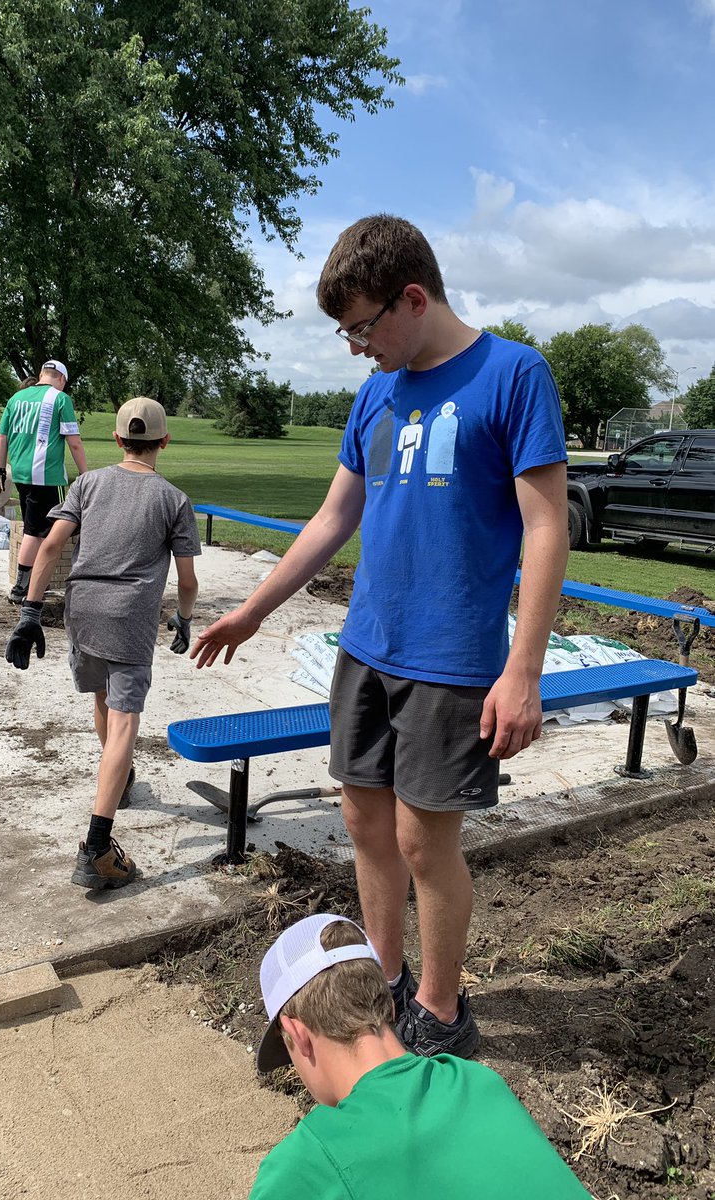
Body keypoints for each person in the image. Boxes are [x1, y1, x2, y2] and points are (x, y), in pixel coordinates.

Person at [193, 215, 569, 1058]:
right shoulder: (375, 395)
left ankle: (439, 1011)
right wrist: (255, 609)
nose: (356, 348)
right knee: (362, 821)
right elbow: (335, 517)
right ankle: (385, 986)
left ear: (413, 296)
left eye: (363, 327)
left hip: (453, 657)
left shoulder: (513, 375)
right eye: (346, 332)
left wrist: (525, 669)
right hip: (367, 647)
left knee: (421, 842)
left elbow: (546, 529)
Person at [248, 913, 591, 1199]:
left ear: (297, 1034)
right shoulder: (478, 1082)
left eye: (287, 1051)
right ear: (390, 1005)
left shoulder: (303, 1170)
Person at [4, 397, 201, 889]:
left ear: (116, 439)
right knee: (126, 721)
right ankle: (96, 848)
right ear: (164, 441)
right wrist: (182, 617)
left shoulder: (87, 483)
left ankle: (121, 779)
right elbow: (189, 581)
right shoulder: (173, 499)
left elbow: (50, 546)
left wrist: (30, 612)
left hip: (82, 609)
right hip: (130, 619)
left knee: (102, 699)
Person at [0, 360, 88, 603]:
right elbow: (74, 442)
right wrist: (86, 474)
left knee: (32, 526)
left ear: (41, 374)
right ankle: (23, 587)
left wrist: (0, 470)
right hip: (46, 476)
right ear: (62, 380)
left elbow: (2, 436)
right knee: (39, 533)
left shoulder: (17, 398)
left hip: (21, 473)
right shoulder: (60, 399)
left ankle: (28, 583)